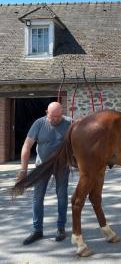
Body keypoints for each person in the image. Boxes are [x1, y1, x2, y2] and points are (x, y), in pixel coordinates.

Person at [16, 102, 72, 245]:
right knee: (37, 197)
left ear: (62, 113)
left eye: (57, 117)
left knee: (62, 196)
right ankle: (37, 230)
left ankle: (61, 228)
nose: (54, 120)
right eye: (51, 116)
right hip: (42, 166)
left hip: (61, 166)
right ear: (46, 112)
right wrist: (24, 169)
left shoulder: (69, 123)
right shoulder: (39, 124)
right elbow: (27, 146)